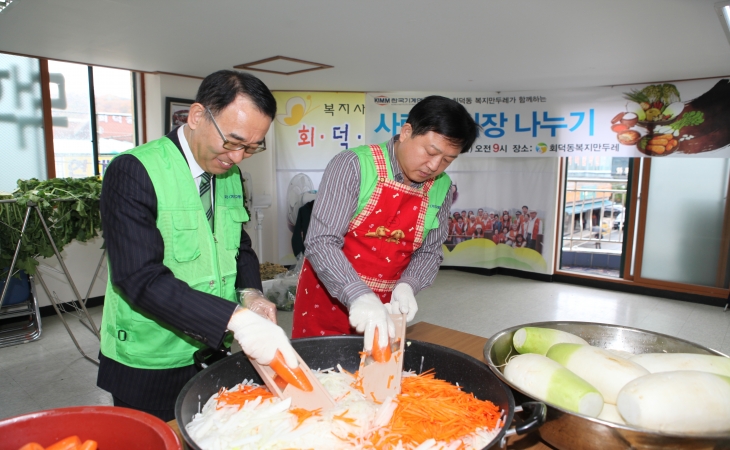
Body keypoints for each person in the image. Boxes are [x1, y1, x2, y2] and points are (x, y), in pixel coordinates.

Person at [97, 70, 298, 421]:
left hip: (211, 349)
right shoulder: (134, 171)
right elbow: (138, 277)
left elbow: (240, 243)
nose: (237, 158)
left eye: (251, 148)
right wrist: (237, 320)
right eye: (233, 142)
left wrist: (250, 293)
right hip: (151, 359)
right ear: (196, 116)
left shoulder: (227, 174)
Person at [292, 96, 479, 351]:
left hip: (387, 306)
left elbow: (430, 250)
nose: (434, 166)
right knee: (321, 377)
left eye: (447, 160)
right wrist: (358, 294)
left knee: (375, 378)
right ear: (406, 132)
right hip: (328, 298)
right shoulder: (353, 165)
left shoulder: (442, 187)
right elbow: (321, 241)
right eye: (431, 152)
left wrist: (408, 285)